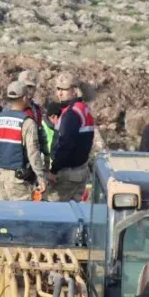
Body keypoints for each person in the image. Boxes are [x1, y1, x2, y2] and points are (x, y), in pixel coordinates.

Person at [0, 81, 48, 201]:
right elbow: (33, 153)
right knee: (19, 216)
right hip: (18, 180)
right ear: (25, 98)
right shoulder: (27, 122)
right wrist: (41, 178)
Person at [49, 72, 96, 201]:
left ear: (75, 91)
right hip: (81, 170)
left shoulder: (71, 114)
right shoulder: (83, 109)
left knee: (53, 212)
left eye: (64, 89)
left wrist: (54, 171)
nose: (59, 93)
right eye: (58, 89)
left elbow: (65, 144)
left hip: (67, 174)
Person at [18, 69, 49, 168]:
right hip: (16, 159)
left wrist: (46, 154)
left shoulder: (36, 109)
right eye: (25, 86)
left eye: (31, 87)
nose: (28, 90)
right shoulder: (10, 109)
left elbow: (40, 133)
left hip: (32, 160)